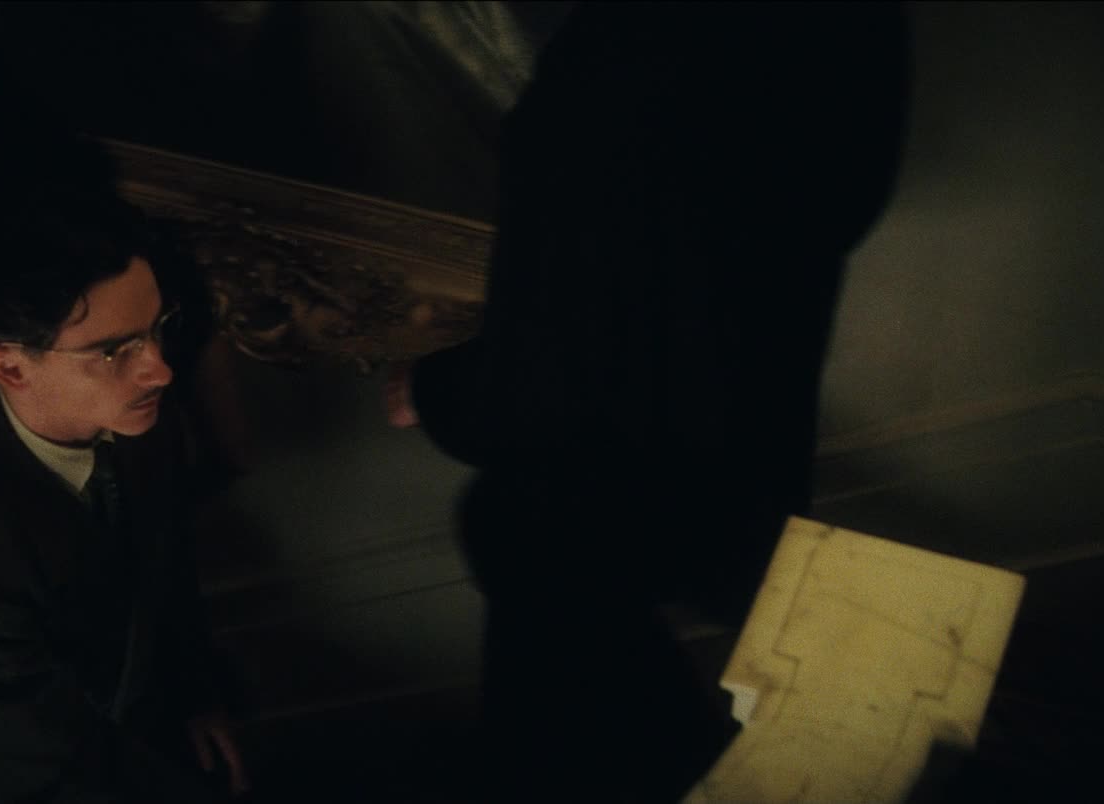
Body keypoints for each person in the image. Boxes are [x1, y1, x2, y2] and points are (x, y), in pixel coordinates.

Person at [383, 3, 911, 801]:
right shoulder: (843, 29)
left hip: (591, 514)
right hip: (731, 461)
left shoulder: (622, 63)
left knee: (575, 691)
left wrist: (432, 389)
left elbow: (544, 374)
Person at [0, 189, 249, 801]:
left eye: (158, 328)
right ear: (12, 368)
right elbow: (53, 772)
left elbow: (163, 557)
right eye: (113, 350)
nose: (160, 369)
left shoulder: (131, 402)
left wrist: (195, 694)